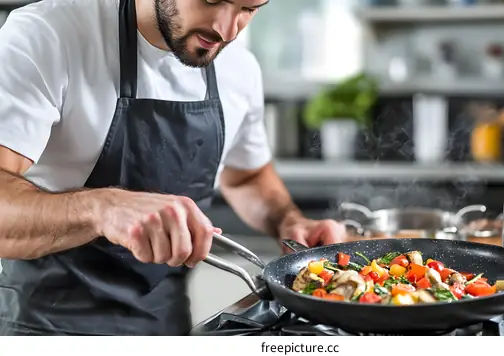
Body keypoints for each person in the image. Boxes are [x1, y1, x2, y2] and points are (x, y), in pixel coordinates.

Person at [0, 0, 346, 336]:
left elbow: (247, 177)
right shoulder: (48, 35)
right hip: (44, 330)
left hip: (166, 328)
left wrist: (289, 221)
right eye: (212, 1)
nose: (227, 30)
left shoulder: (238, 65)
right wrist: (101, 208)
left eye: (248, 9)